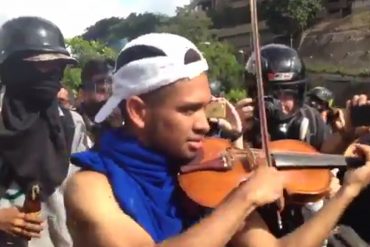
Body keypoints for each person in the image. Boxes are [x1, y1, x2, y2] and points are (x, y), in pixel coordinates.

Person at [64, 33, 370, 247]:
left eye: (206, 107)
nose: (204, 124)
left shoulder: (209, 177)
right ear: (138, 112)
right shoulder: (91, 188)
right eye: (188, 110)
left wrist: (348, 190)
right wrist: (243, 199)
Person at [0, 16, 89, 247]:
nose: (51, 73)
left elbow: (85, 190)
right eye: (41, 64)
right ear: (14, 66)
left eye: (57, 66)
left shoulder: (71, 123)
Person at [239, 44, 331, 150]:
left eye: (287, 94)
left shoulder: (313, 121)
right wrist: (237, 135)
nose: (280, 103)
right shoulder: (244, 125)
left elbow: (331, 156)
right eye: (272, 97)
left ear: (298, 97)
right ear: (253, 96)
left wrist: (345, 136)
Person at [77, 58, 121, 145]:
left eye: (110, 82)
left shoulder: (124, 123)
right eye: (99, 83)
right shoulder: (72, 124)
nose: (105, 87)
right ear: (83, 91)